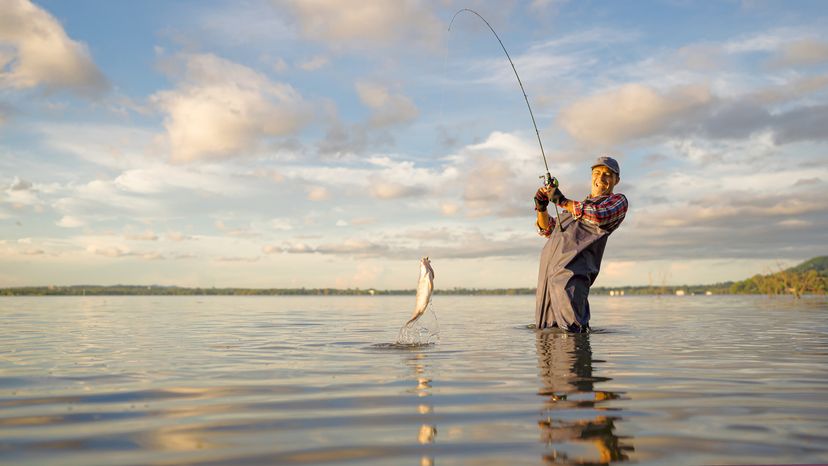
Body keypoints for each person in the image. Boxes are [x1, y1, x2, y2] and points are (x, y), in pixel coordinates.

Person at [533, 156, 628, 332]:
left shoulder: (617, 202)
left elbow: (599, 215)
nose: (601, 178)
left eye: (607, 175)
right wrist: (541, 207)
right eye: (597, 173)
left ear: (617, 180)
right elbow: (547, 229)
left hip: (570, 284)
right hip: (546, 288)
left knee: (572, 337)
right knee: (546, 339)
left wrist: (561, 201)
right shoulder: (575, 209)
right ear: (591, 176)